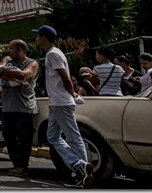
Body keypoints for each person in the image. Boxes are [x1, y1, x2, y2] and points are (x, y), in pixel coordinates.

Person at [34, 25, 93, 189]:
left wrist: (72, 93)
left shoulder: (53, 54)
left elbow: (65, 77)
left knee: (73, 136)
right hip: (56, 102)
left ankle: (81, 170)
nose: (36, 39)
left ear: (44, 37)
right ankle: (79, 165)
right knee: (52, 137)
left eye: (38, 36)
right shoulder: (53, 54)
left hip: (61, 102)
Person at [0, 39, 40, 177]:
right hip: (8, 107)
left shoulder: (32, 63)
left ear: (19, 49)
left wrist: (8, 73)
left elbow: (24, 74)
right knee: (8, 136)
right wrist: (17, 79)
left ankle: (22, 166)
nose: (9, 51)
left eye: (11, 48)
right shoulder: (7, 60)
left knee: (24, 138)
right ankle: (16, 164)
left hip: (24, 107)